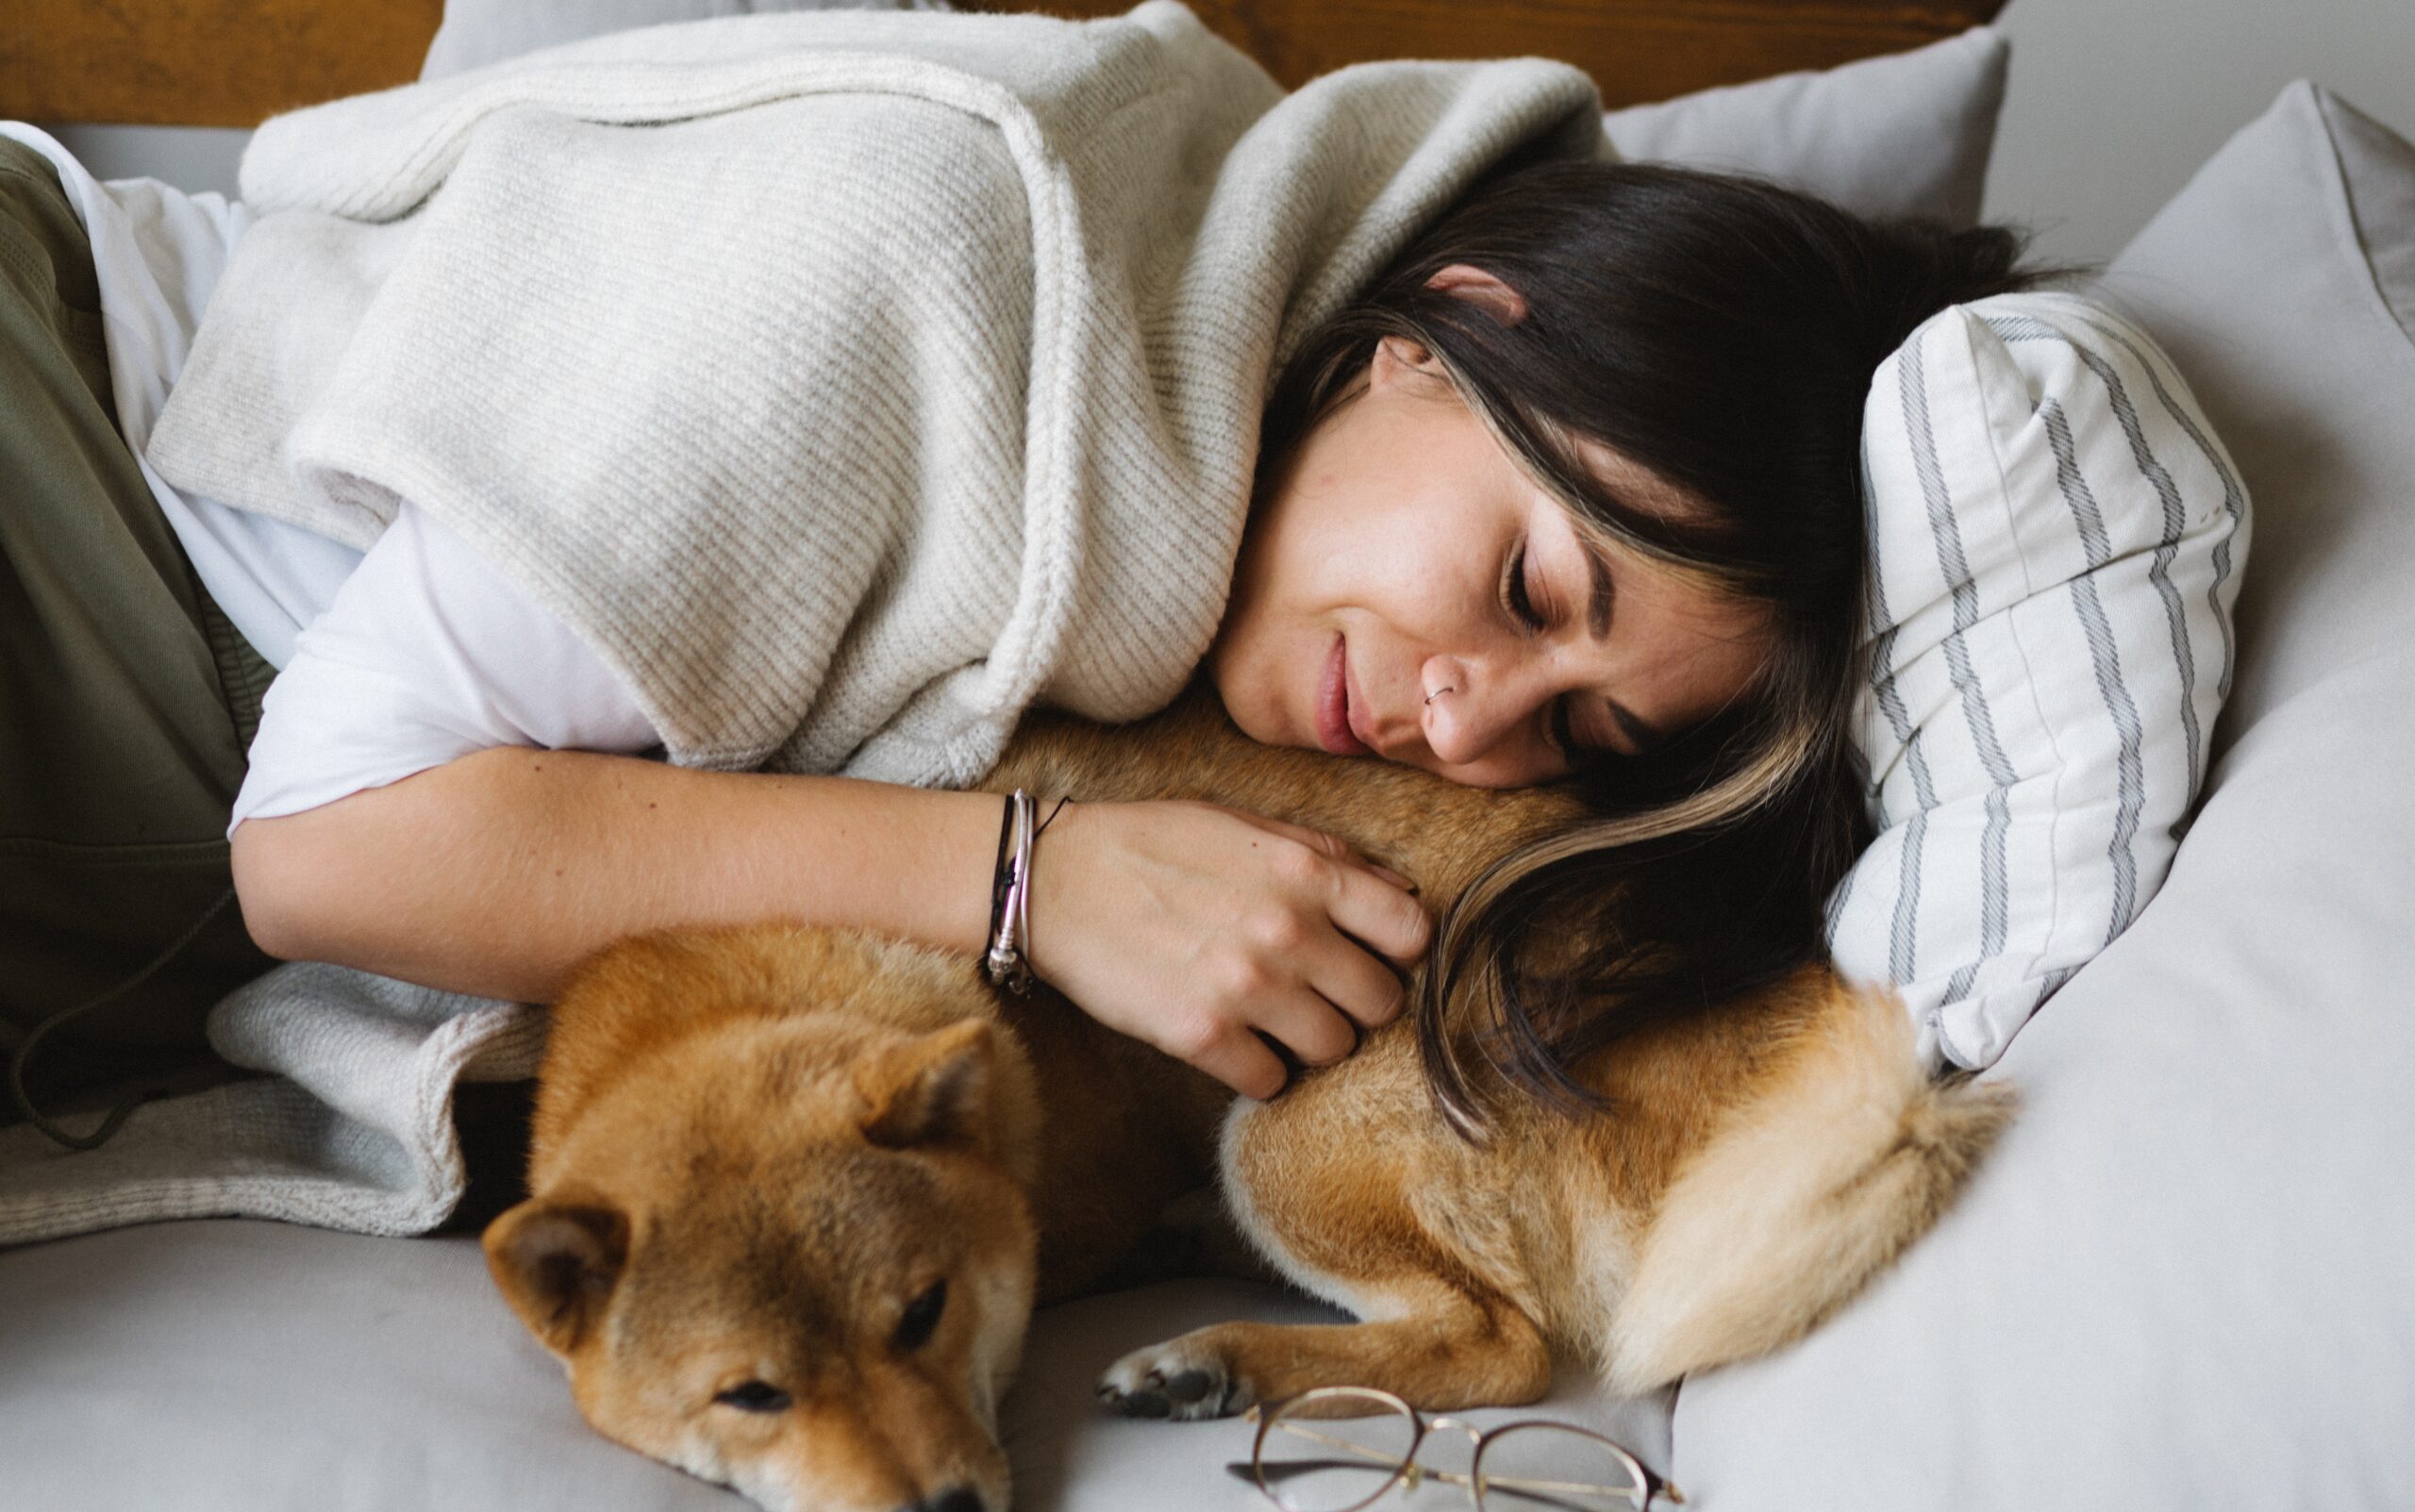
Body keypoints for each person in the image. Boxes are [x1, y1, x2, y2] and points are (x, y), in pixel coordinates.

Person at [1, 96, 2034, 1148]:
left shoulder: (1190, 576)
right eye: (1524, 586)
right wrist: (1022, 878)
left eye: (1575, 731)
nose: (1464, 719)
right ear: (1451, 333)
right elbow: (330, 841)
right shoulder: (924, 275)